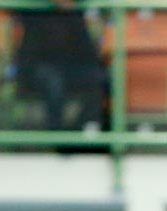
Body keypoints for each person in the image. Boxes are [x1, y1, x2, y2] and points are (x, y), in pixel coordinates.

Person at [13, 0, 106, 132]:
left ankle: (74, 132)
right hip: (37, 64)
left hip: (72, 63)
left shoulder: (77, 8)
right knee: (53, 82)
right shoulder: (32, 8)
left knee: (102, 78)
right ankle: (56, 137)